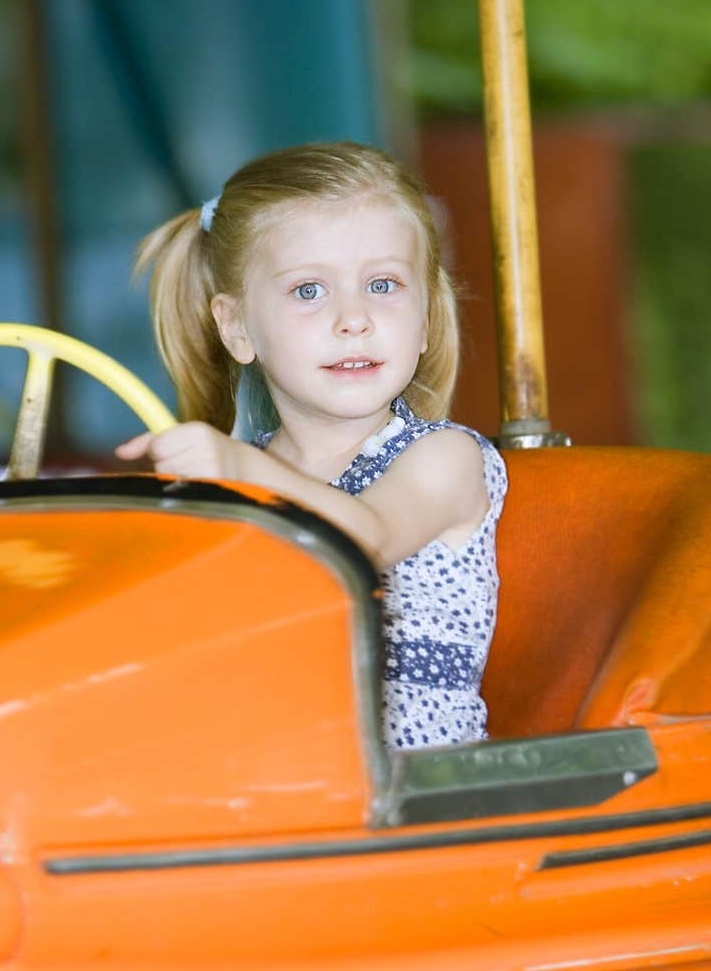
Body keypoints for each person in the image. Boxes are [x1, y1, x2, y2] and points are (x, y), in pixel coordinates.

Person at [115, 141, 507, 751]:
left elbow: (364, 538)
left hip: (416, 790)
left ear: (427, 316)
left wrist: (237, 466)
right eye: (308, 291)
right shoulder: (245, 474)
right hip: (287, 767)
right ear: (237, 326)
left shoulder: (444, 458)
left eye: (382, 284)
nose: (354, 318)